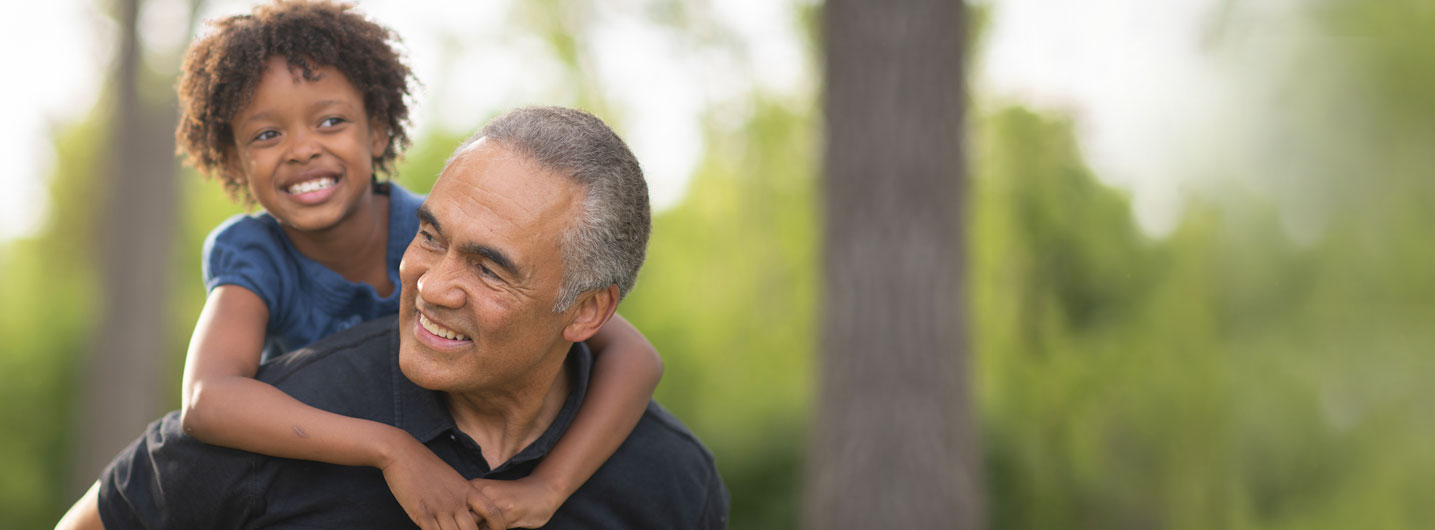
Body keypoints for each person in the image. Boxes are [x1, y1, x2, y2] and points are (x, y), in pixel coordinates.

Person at [120, 2, 665, 528]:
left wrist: (551, 486)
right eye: (267, 134)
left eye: (330, 121)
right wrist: (389, 449)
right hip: (322, 466)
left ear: (377, 131)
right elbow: (207, 400)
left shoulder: (439, 233)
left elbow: (634, 356)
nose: (301, 149)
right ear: (236, 159)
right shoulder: (253, 253)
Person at [56, 106, 730, 529]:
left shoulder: (672, 482)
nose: (432, 286)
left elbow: (638, 357)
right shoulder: (275, 421)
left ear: (587, 310)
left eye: (489, 268)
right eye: (430, 236)